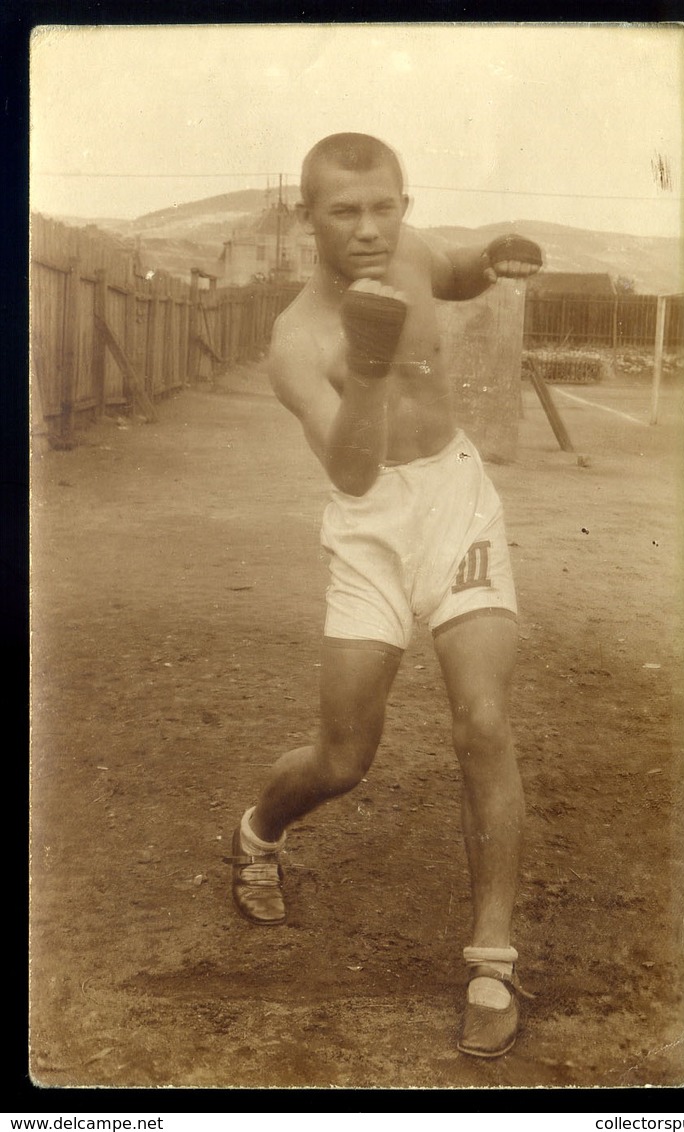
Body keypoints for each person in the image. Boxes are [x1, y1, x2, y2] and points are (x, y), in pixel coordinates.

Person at [225, 133, 542, 1058]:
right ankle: (257, 831)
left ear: (401, 204)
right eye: (343, 211)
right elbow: (355, 477)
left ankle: (492, 961)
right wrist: (364, 368)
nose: (369, 230)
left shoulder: (407, 247)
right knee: (342, 757)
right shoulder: (296, 341)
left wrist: (489, 260)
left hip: (455, 499)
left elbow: (449, 271)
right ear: (306, 217)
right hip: (369, 528)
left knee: (482, 721)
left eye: (384, 206)